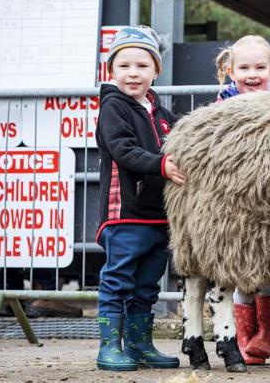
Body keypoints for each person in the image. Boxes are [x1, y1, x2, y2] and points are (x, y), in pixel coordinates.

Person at [95, 25, 185, 371]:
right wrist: (162, 164)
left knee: (147, 285)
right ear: (111, 70)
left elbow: (188, 139)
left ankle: (139, 343)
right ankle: (109, 347)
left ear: (156, 71)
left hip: (159, 215)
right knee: (118, 280)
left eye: (143, 66)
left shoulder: (163, 115)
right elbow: (124, 151)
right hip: (125, 213)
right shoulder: (113, 108)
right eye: (124, 66)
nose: (133, 73)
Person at [214, 35, 270, 365]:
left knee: (268, 266)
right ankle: (245, 338)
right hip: (238, 199)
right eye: (244, 68)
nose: (253, 74)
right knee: (243, 267)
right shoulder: (222, 104)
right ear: (231, 71)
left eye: (260, 67)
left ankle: (266, 334)